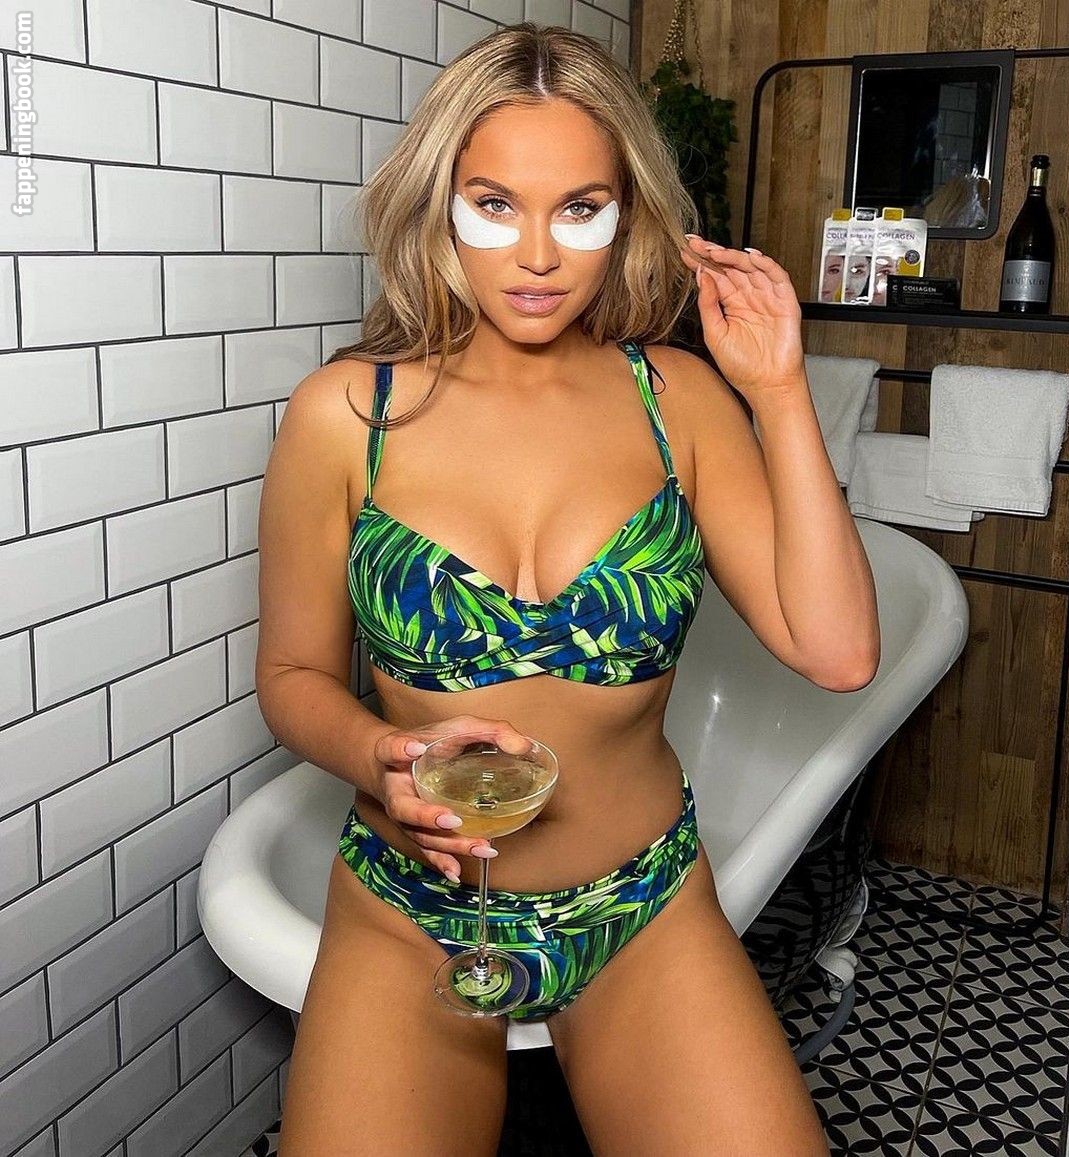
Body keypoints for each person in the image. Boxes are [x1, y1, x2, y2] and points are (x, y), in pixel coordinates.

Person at [256, 22, 878, 1157]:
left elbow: (837, 652)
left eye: (580, 208)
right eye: (495, 204)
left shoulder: (677, 401)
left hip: (641, 906)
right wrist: (376, 753)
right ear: (440, 205)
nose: (538, 254)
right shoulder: (347, 415)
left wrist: (781, 390)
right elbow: (292, 674)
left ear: (626, 214)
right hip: (412, 912)